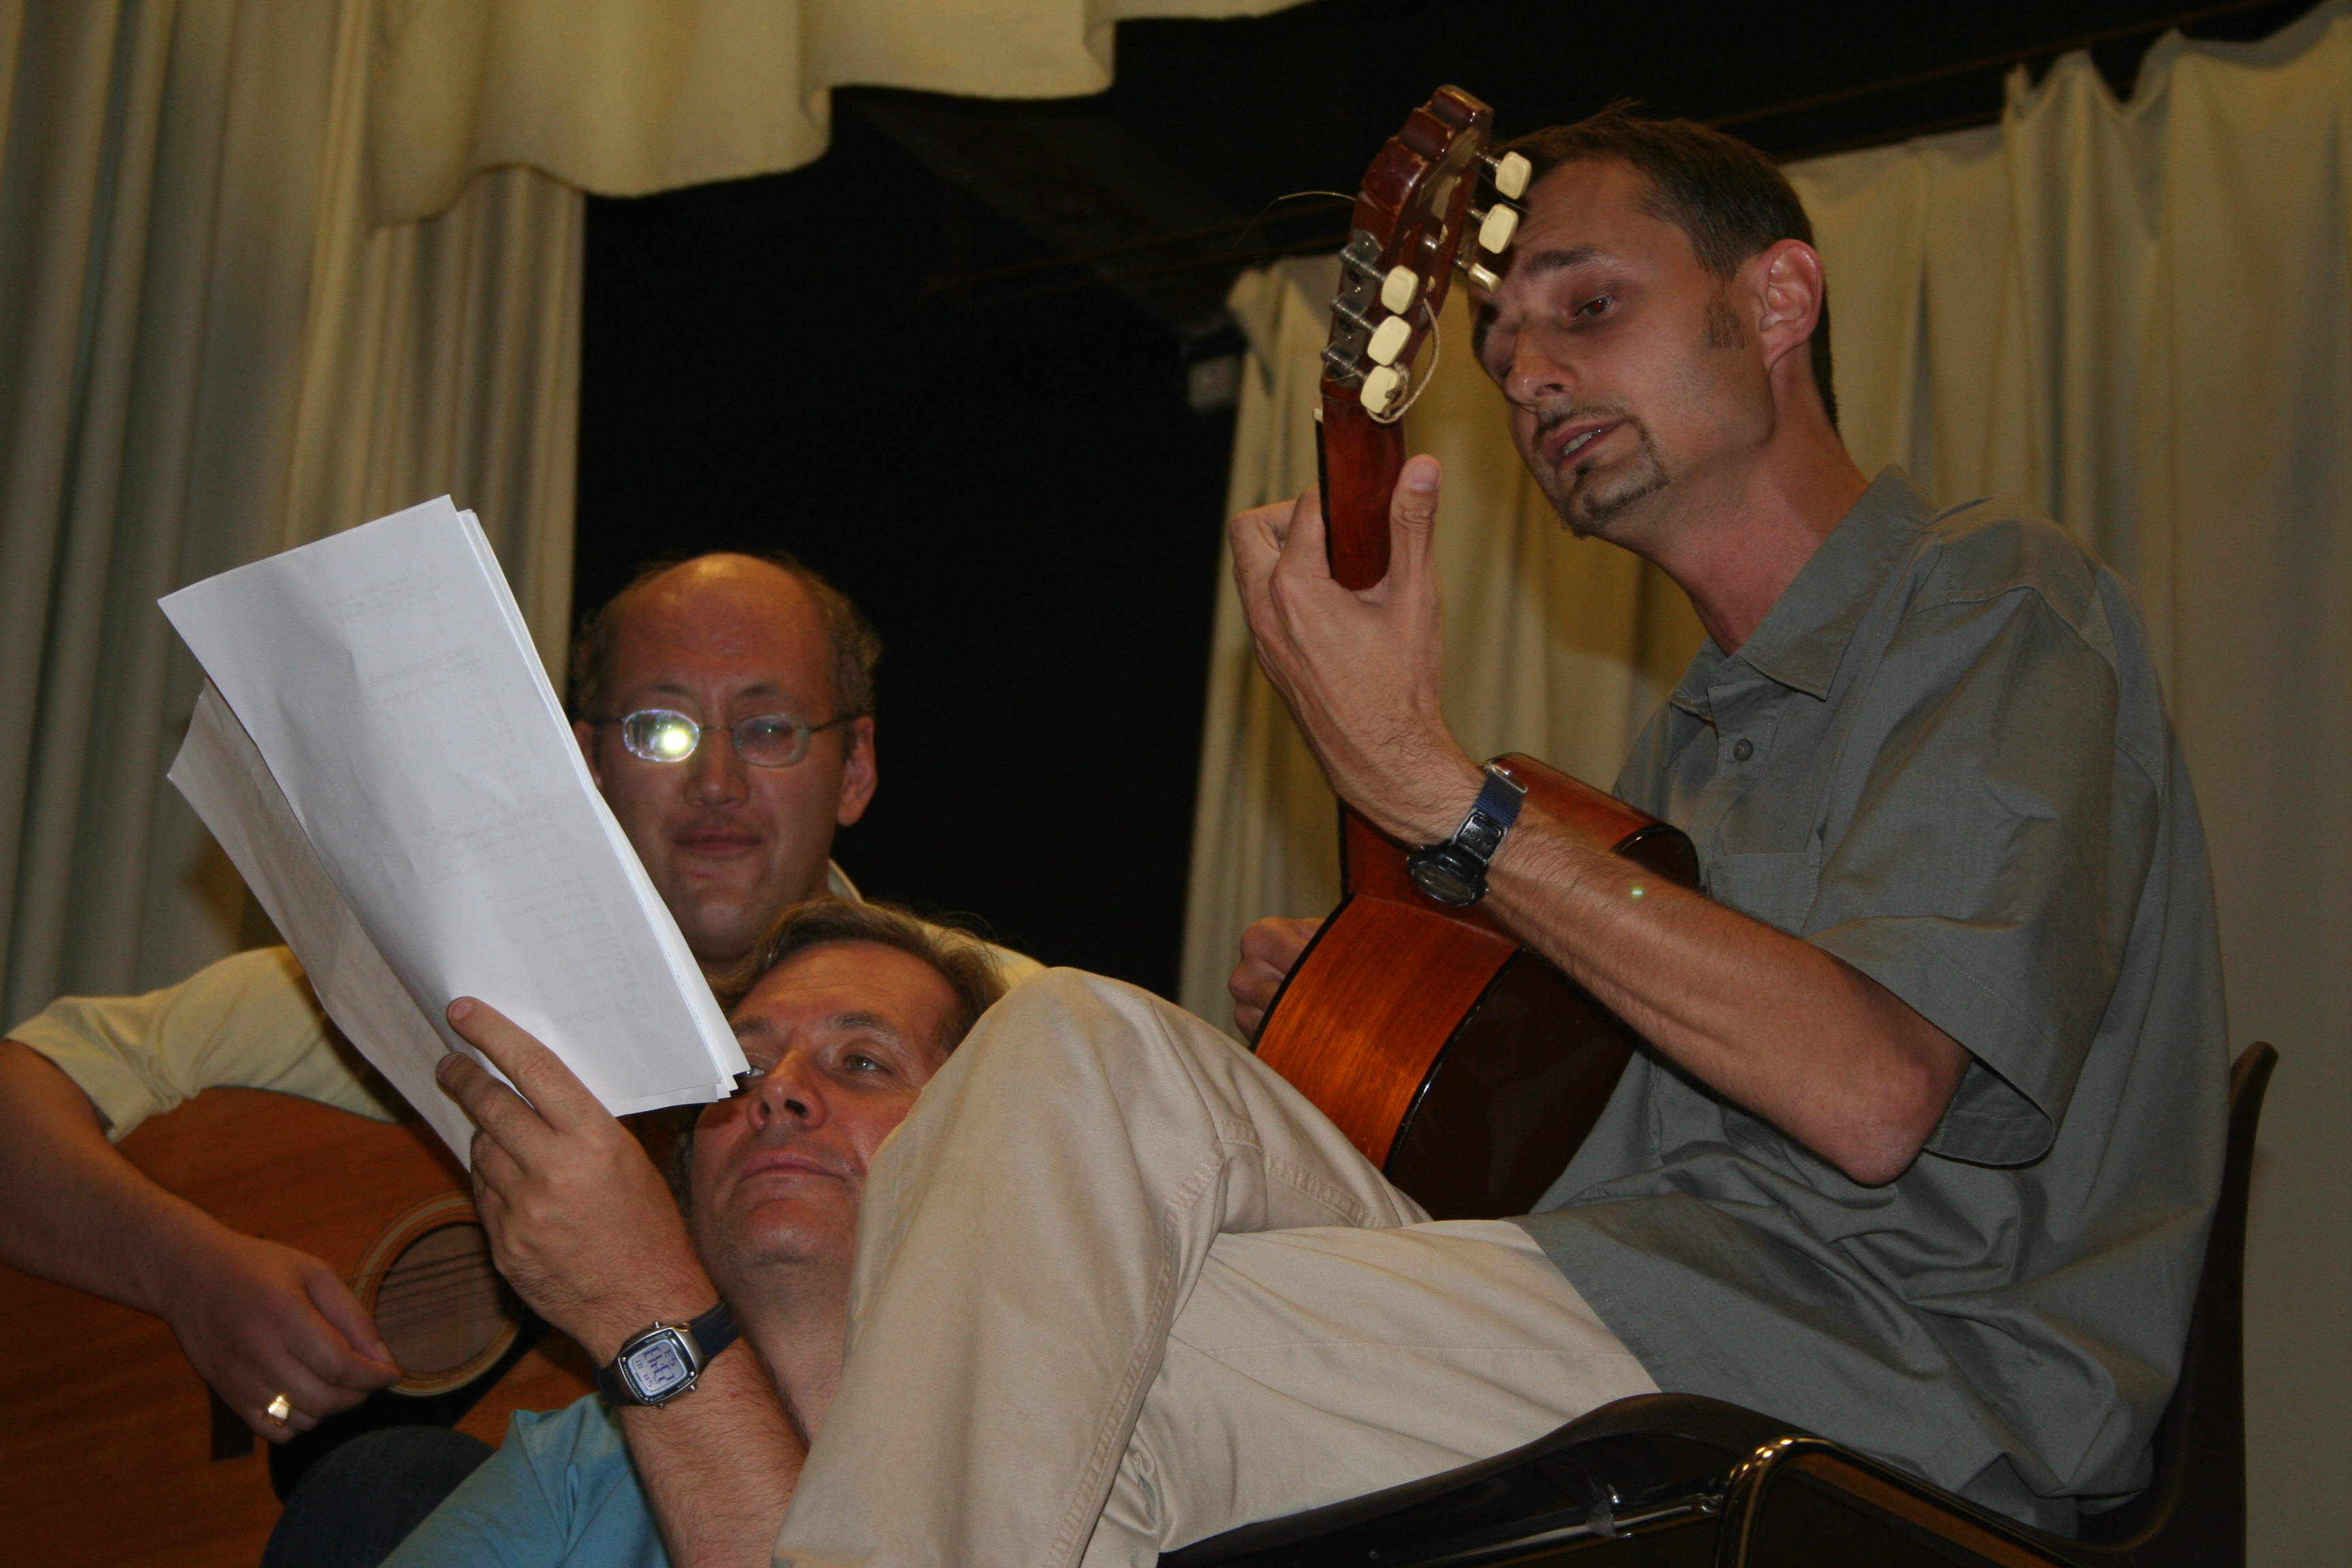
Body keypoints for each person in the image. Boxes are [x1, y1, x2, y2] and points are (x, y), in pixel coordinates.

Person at [453, 105, 2224, 1565]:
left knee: (1064, 1254)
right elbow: (1619, 1139)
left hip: (1886, 1371)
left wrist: (1451, 807)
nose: (1532, 377)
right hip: (1642, 1302)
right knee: (1065, 1199)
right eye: (1506, 348)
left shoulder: (1992, 601)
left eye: (1588, 308)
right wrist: (1403, 989)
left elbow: (1873, 1091)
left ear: (1777, 297)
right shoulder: (1691, 744)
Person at [0, 551, 1036, 1442]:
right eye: (661, 730)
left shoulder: (1003, 1024)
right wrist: (188, 1275)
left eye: (768, 730)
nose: (716, 781)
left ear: (854, 769)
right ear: (585, 766)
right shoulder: (442, 973)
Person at [261, 898, 1010, 1568]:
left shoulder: (1041, 1441)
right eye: (744, 1072)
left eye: (862, 1062)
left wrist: (638, 1301)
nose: (778, 1087)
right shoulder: (574, 1460)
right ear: (684, 1187)